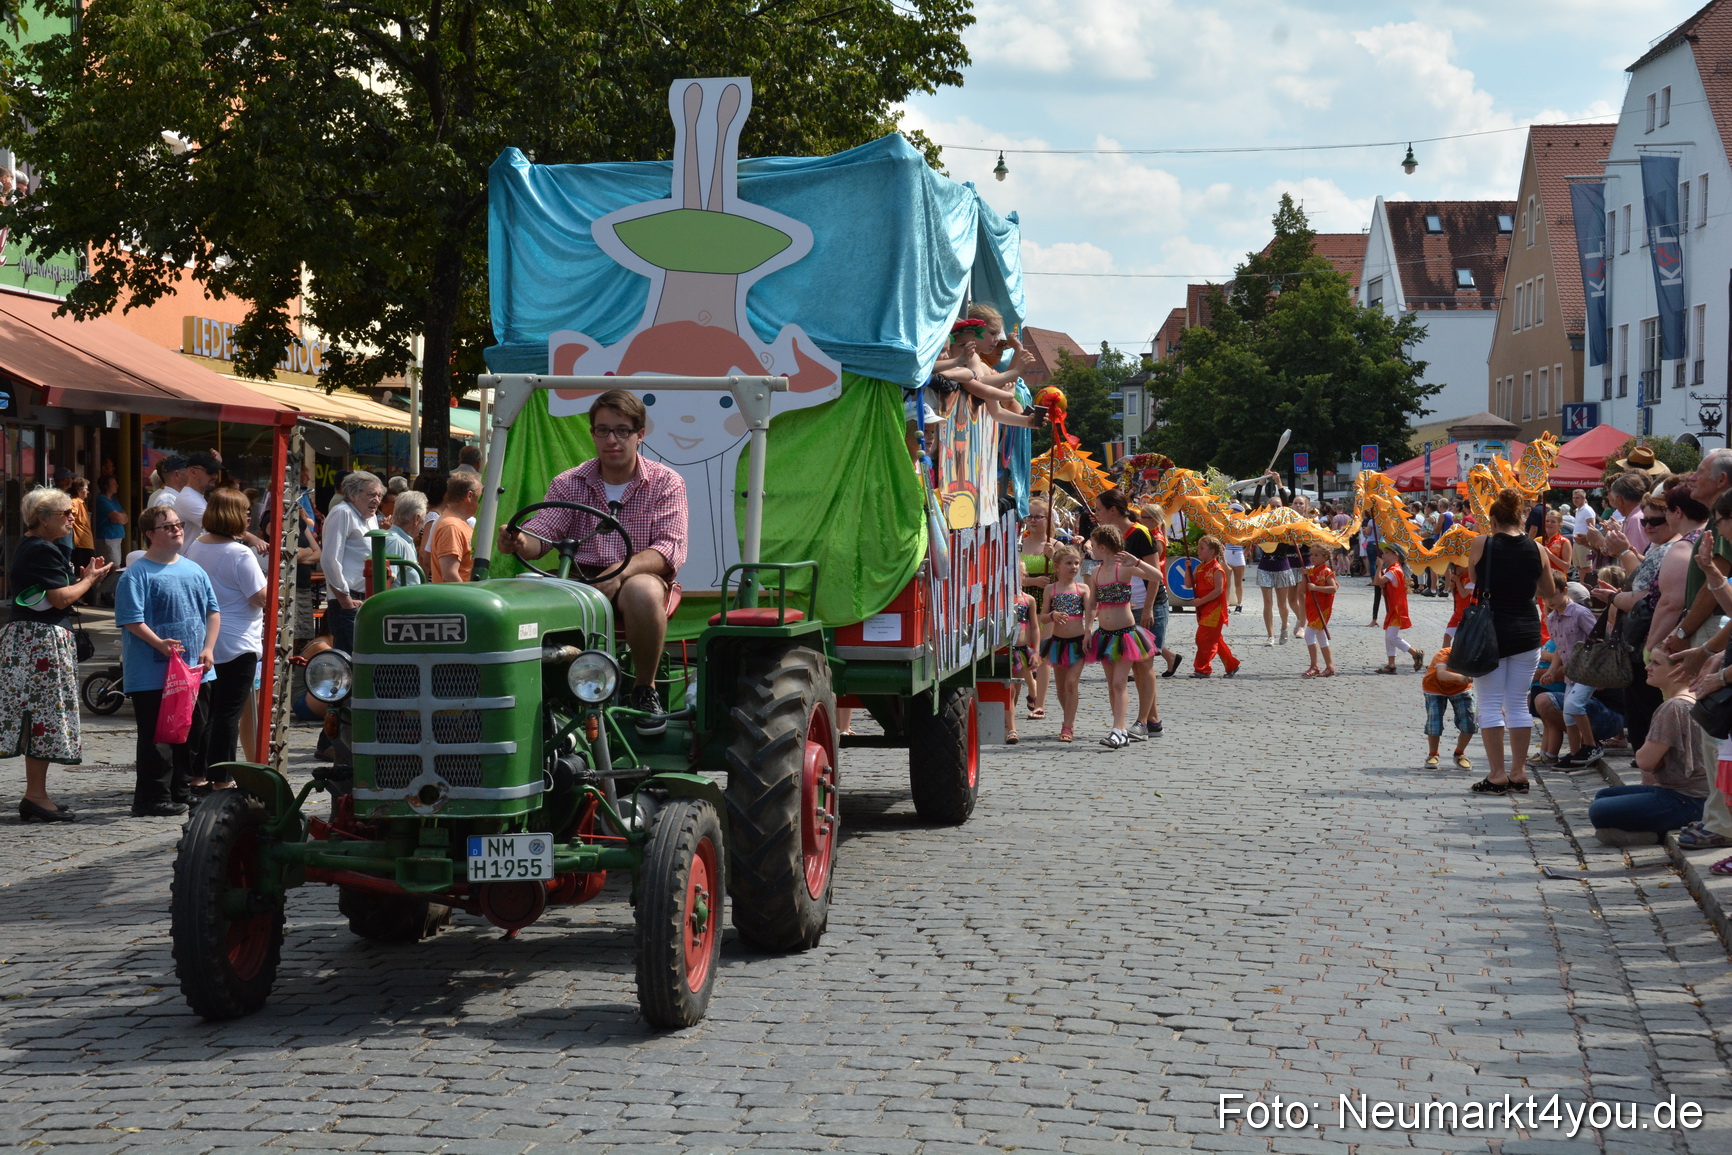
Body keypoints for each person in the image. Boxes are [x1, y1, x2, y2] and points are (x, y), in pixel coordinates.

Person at [497, 389, 686, 732]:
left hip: (638, 575)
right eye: (603, 430)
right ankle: (539, 699)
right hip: (579, 578)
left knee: (641, 591)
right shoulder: (569, 482)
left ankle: (645, 688)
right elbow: (542, 535)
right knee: (524, 594)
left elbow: (669, 548)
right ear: (593, 434)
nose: (612, 439)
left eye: (622, 430)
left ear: (639, 435)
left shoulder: (665, 482)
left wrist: (620, 571)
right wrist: (518, 540)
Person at [1, 487, 113, 822]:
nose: (72, 516)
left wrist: (77, 582)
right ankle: (35, 795)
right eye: (65, 512)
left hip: (34, 638)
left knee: (41, 717)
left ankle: (37, 794)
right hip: (40, 641)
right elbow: (62, 599)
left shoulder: (34, 546)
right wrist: (89, 580)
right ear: (43, 518)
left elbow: (55, 595)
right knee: (43, 717)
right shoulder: (41, 549)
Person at [115, 505, 219, 817]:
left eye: (177, 524)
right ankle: (151, 798)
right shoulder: (137, 574)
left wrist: (209, 648)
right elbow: (132, 620)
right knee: (158, 738)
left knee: (192, 732)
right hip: (152, 674)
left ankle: (182, 790)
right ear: (149, 534)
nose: (177, 529)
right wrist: (159, 644)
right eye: (168, 526)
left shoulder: (194, 570)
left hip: (193, 672)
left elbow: (213, 611)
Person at [1467, 487, 1558, 795]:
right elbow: (1547, 591)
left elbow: (1475, 580)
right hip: (1526, 631)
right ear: (1521, 517)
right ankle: (1519, 772)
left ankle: (1496, 774)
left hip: (1489, 631)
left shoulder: (1483, 544)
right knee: (1518, 702)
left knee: (1490, 703)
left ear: (1492, 520)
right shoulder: (1538, 549)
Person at [183, 489, 266, 777]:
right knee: (228, 715)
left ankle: (200, 773)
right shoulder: (240, 553)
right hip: (238, 641)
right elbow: (260, 597)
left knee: (207, 714)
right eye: (245, 511)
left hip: (207, 639)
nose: (248, 516)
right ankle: (222, 776)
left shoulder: (195, 546)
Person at [1586, 650, 1706, 846]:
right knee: (1604, 795)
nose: (1647, 667)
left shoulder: (1673, 707)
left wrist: (1646, 750)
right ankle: (1646, 833)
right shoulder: (1695, 697)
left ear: (1678, 671)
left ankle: (1655, 835)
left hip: (1688, 800)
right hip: (1691, 795)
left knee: (1599, 810)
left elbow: (1645, 761)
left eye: (1656, 663)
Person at [1093, 491, 1162, 738]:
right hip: (1120, 608)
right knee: (1128, 674)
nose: (1096, 514)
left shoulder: (1139, 533)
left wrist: (1148, 608)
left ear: (1113, 510)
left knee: (1144, 666)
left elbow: (1155, 574)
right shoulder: (1107, 539)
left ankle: (1143, 721)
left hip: (1145, 605)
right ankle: (1148, 720)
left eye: (1099, 509)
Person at [319, 470, 385, 653]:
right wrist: (344, 598)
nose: (377, 500)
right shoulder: (342, 513)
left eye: (379, 495)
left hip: (367, 597)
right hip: (347, 601)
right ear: (353, 494)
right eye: (371, 494)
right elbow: (330, 559)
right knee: (351, 657)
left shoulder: (371, 518)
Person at [1542, 581, 1602, 767]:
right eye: (1545, 597)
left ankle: (1592, 746)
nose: (1549, 601)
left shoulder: (1580, 613)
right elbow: (1560, 649)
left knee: (1574, 705)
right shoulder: (1552, 618)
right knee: (1568, 714)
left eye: (1553, 595)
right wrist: (1552, 671)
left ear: (1564, 591)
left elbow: (1599, 639)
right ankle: (1576, 754)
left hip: (1588, 670)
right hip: (1571, 673)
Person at [1038, 545, 1088, 743]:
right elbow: (1042, 617)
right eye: (1069, 563)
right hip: (1058, 644)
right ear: (1057, 566)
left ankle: (1067, 726)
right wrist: (1051, 615)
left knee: (1070, 683)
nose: (1074, 567)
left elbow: (1092, 612)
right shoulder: (1051, 589)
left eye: (1076, 563)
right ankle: (1069, 716)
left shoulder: (1083, 589)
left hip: (1078, 643)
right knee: (1060, 688)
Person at [1190, 535, 1240, 678]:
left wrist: (1201, 601)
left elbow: (1218, 590)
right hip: (1204, 608)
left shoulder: (1217, 569)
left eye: (1202, 548)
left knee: (1203, 638)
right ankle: (1232, 664)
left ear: (1212, 552)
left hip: (1215, 609)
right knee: (1214, 638)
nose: (1198, 551)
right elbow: (1189, 583)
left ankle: (1203, 668)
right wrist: (1188, 568)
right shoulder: (1200, 567)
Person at [1421, 646, 1476, 770]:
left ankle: (1460, 753)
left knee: (1469, 721)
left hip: (1461, 688)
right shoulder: (1445, 653)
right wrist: (1459, 677)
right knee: (1434, 721)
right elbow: (1441, 674)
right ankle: (1433, 754)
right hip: (1434, 687)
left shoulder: (1476, 654)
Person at [1373, 543, 1423, 674]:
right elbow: (1383, 588)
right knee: (1388, 636)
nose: (1383, 555)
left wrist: (1378, 567)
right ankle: (1391, 664)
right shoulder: (1392, 569)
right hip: (1393, 607)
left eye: (1386, 553)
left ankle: (1415, 653)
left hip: (1397, 609)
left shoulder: (1394, 570)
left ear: (1395, 556)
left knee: (1391, 637)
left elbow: (1377, 582)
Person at [430, 473, 480, 584]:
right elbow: (450, 576)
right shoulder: (451, 526)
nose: (481, 503)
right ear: (469, 496)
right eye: (480, 497)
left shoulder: (456, 523)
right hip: (458, 599)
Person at [1301, 543, 1336, 678]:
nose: (1312, 558)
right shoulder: (1311, 571)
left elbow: (1333, 588)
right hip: (1312, 607)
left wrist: (1316, 588)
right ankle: (1330, 666)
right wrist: (1304, 577)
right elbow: (1303, 590)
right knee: (1321, 637)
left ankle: (1314, 665)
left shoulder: (1327, 571)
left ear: (1325, 557)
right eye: (1311, 555)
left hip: (1322, 609)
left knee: (1308, 634)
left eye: (1316, 555)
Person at [384, 492, 427, 586]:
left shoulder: (403, 540)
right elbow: (384, 583)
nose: (423, 525)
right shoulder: (395, 541)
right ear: (417, 518)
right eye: (424, 519)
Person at [91, 474, 128, 566]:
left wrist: (120, 517)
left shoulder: (114, 499)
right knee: (113, 567)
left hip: (116, 537)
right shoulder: (101, 499)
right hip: (108, 538)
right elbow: (116, 517)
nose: (117, 486)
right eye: (114, 484)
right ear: (106, 486)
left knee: (116, 564)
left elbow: (125, 518)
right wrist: (120, 517)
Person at [61, 476, 95, 569]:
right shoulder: (75, 502)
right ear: (79, 490)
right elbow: (67, 510)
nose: (87, 491)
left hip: (85, 541)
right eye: (85, 489)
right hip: (82, 542)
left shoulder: (80, 503)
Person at [1442, 561, 1473, 647]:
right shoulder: (1460, 577)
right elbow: (1456, 596)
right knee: (1447, 636)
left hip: (1467, 614)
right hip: (1457, 613)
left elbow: (1464, 595)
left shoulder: (1471, 578)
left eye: (1455, 568)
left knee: (1463, 641)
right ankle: (1444, 658)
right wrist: (1453, 588)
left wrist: (1457, 582)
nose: (1454, 571)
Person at [1570, 488, 1598, 573]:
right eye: (1573, 498)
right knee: (1579, 567)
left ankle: (1586, 585)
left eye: (1577, 498)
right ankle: (1582, 584)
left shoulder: (1587, 510)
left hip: (1584, 543)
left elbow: (1591, 527)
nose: (1575, 500)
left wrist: (1588, 541)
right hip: (1577, 542)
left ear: (1583, 498)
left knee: (1586, 567)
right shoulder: (1578, 510)